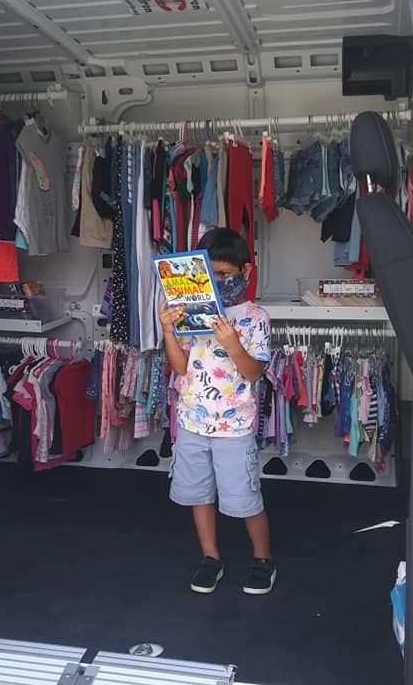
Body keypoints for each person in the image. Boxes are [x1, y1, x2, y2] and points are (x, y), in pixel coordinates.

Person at [160, 227, 276, 595]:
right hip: (192, 421)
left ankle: (263, 559)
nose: (219, 281)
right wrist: (167, 329)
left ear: (245, 271)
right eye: (211, 275)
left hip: (234, 427)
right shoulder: (189, 314)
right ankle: (210, 557)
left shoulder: (255, 317)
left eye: (226, 274)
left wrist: (232, 343)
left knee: (244, 497)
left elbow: (254, 372)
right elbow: (180, 367)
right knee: (198, 494)